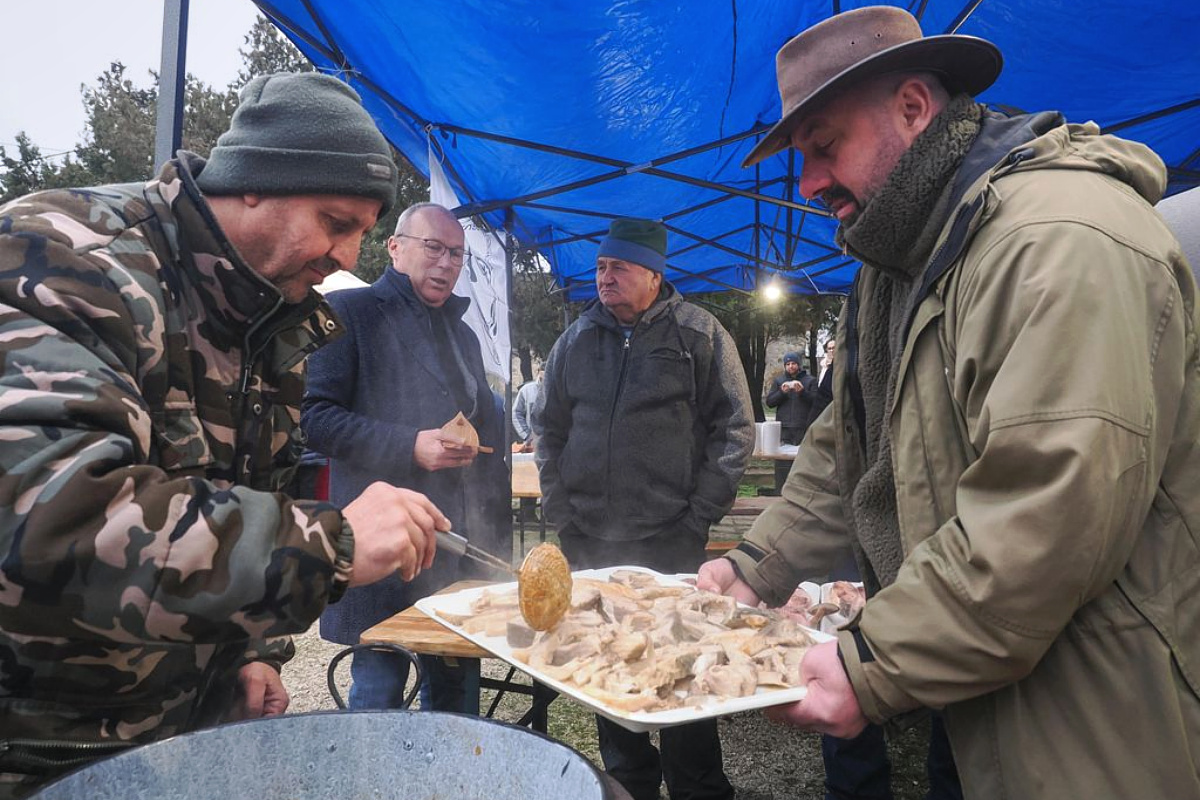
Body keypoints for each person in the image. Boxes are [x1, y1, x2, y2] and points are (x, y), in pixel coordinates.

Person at [698, 6, 1200, 799]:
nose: (808, 185)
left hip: (1093, 713)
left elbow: (1048, 517)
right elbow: (851, 441)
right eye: (800, 160)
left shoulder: (1061, 241)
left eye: (824, 148)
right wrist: (758, 565)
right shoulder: (902, 263)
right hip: (972, 682)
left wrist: (873, 662)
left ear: (912, 108)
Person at [0, 72, 451, 797]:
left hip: (187, 741)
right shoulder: (67, 258)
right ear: (253, 182)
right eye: (337, 223)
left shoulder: (274, 317)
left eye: (364, 235)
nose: (349, 259)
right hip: (47, 752)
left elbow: (248, 488)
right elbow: (46, 527)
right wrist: (326, 545)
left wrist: (253, 650)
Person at [533, 217, 754, 800]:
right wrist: (562, 513)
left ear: (654, 276)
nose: (604, 277)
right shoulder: (577, 338)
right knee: (606, 663)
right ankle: (629, 782)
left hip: (670, 537)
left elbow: (734, 430)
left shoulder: (699, 333)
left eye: (619, 267)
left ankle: (698, 786)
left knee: (682, 667)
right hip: (589, 539)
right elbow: (547, 429)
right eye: (602, 266)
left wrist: (699, 515)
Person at [301, 202, 509, 712]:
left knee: (457, 700)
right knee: (378, 695)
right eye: (433, 248)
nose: (446, 263)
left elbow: (480, 418)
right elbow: (314, 418)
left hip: (454, 543)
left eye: (456, 254)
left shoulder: (462, 333)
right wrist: (409, 445)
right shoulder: (349, 312)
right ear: (395, 247)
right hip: (384, 544)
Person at [765, 351, 818, 446]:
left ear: (798, 365)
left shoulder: (811, 380)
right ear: (785, 366)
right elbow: (770, 403)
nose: (791, 366)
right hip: (784, 427)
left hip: (803, 427)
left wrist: (802, 392)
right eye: (788, 364)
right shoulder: (779, 381)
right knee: (783, 457)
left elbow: (816, 401)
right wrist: (782, 392)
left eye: (793, 363)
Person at [804, 338, 836, 432]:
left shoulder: (840, 366)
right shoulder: (823, 366)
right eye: (829, 348)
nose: (831, 351)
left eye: (834, 348)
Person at [512, 369, 541, 450]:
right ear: (538, 372)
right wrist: (527, 435)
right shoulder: (527, 390)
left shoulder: (558, 390)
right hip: (533, 442)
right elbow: (516, 413)